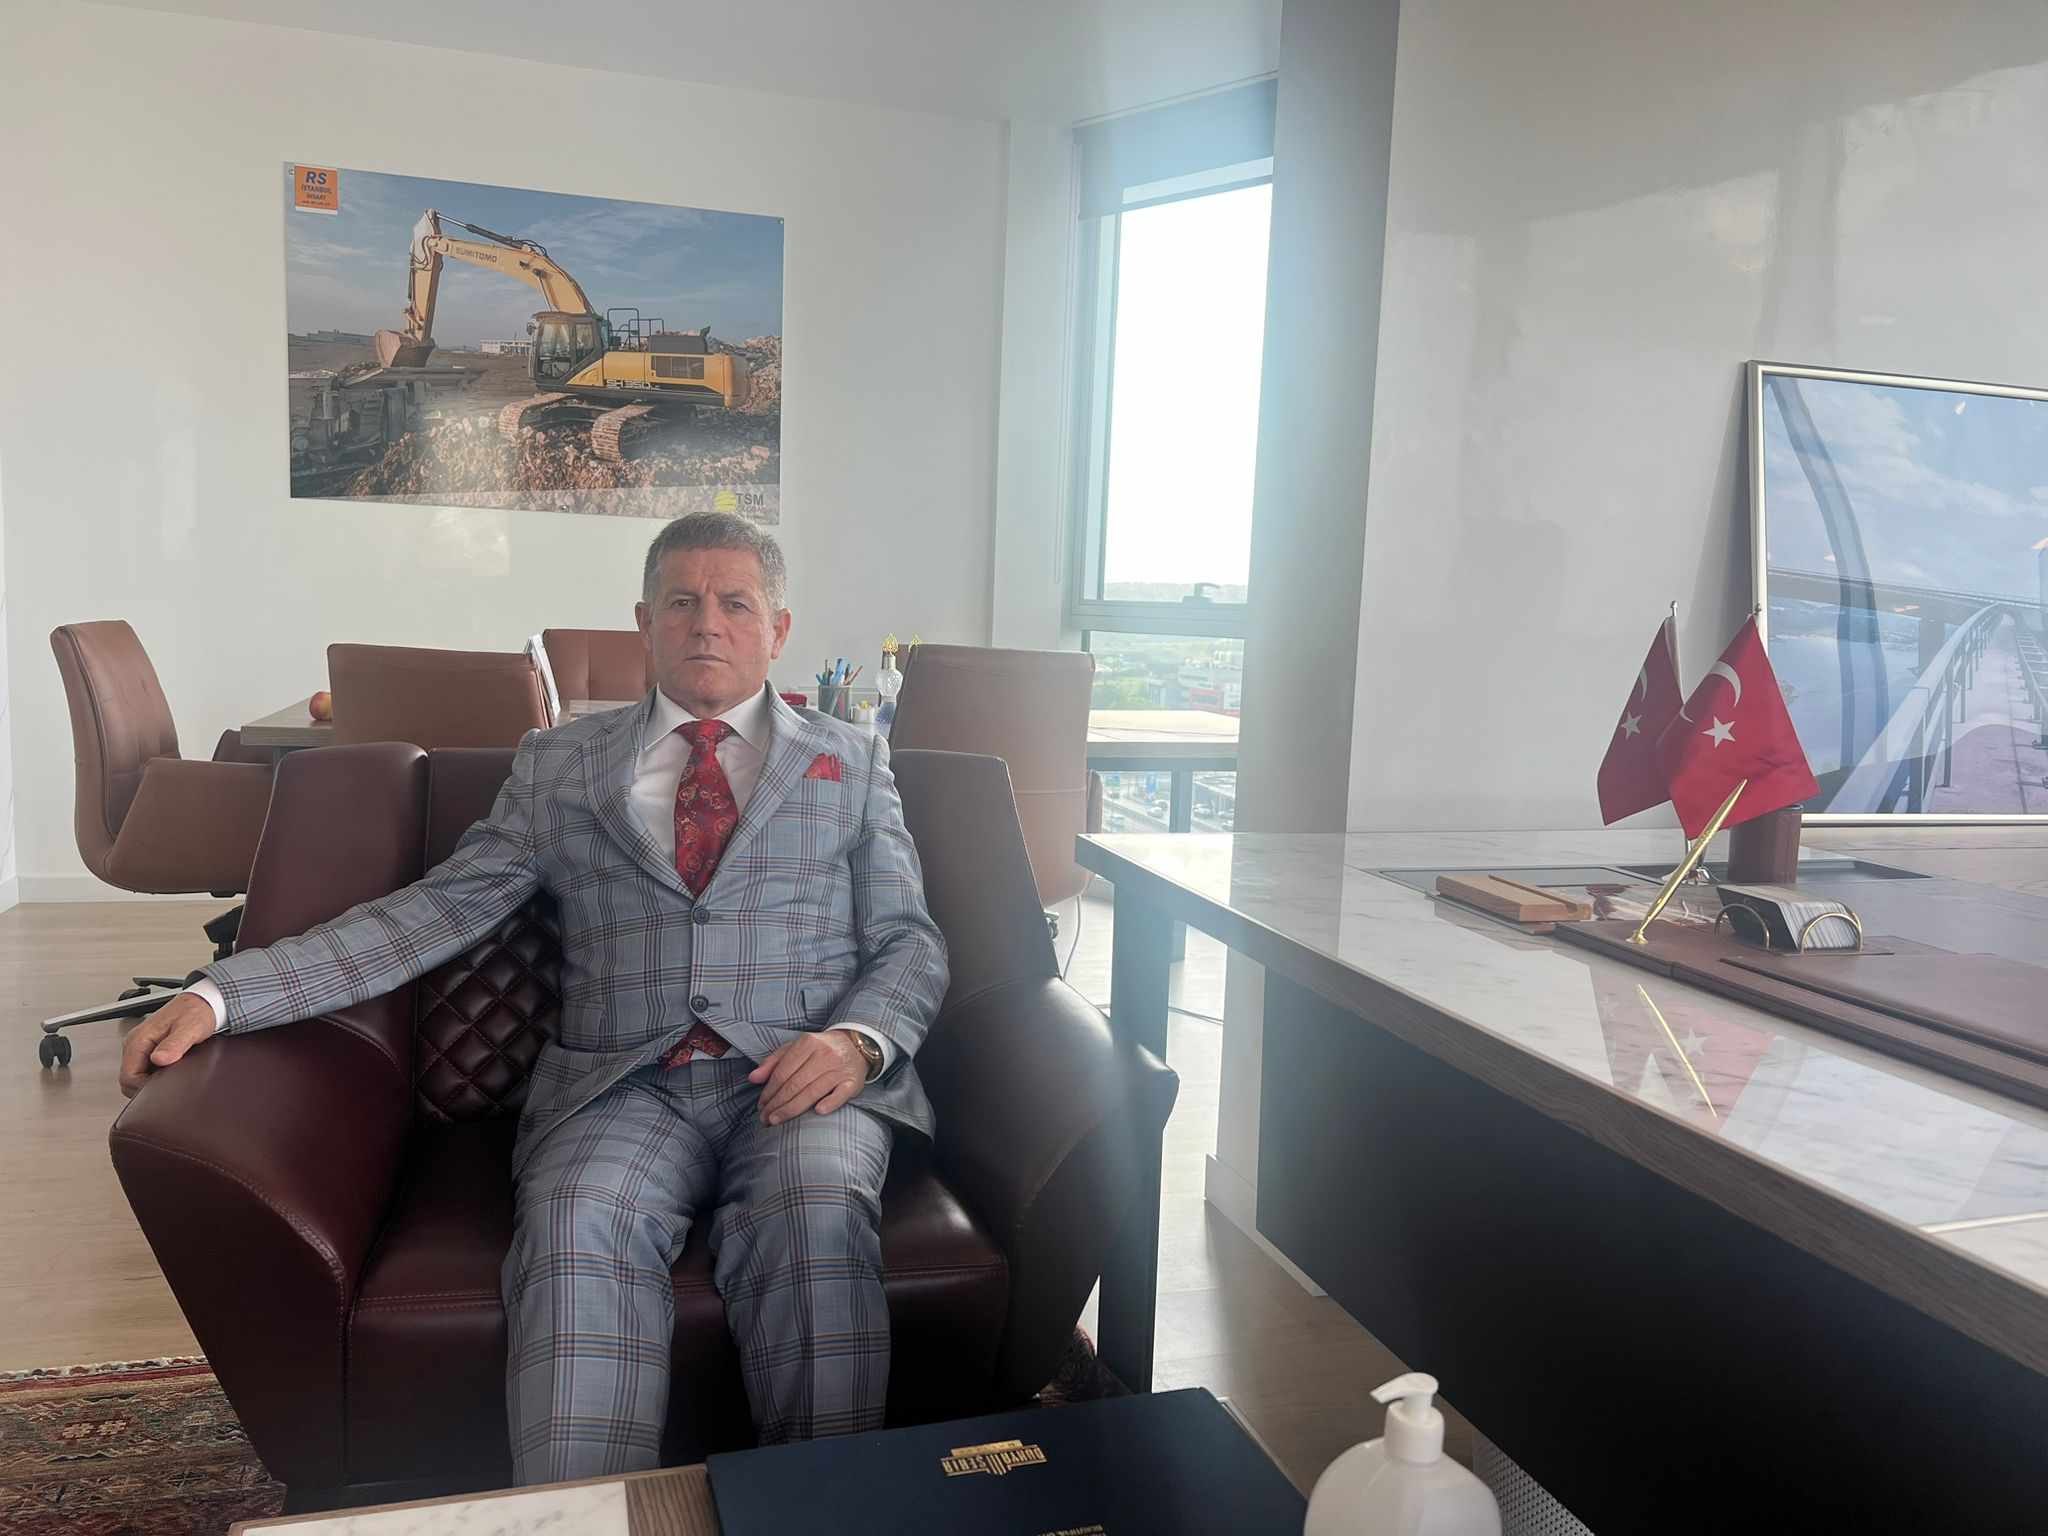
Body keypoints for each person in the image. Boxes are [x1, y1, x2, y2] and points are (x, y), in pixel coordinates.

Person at [119, 512, 948, 1484]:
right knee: (574, 1222)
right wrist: (226, 994)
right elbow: (435, 912)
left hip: (799, 1078)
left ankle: (827, 1510)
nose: (707, 624)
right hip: (621, 1086)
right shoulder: (561, 764)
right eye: (681, 602)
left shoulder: (851, 763)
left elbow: (909, 940)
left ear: (779, 628)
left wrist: (858, 1040)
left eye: (735, 603)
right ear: (643, 623)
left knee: (815, 1211)